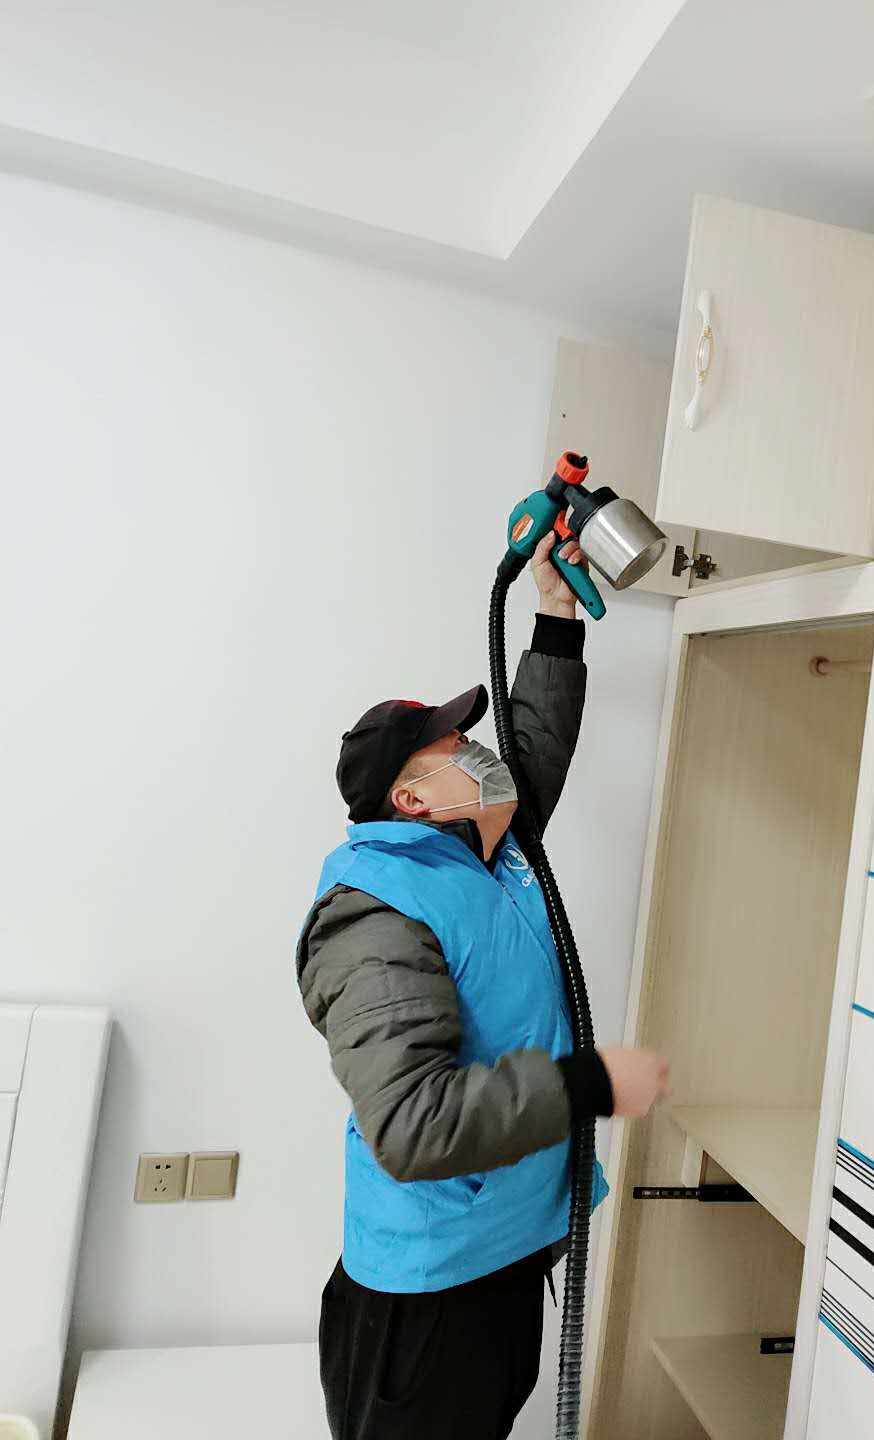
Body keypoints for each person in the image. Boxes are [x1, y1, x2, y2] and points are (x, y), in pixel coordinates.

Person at [296, 532, 671, 1440]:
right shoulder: (375, 914)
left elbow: (534, 744)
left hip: (501, 1259)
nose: (480, 750)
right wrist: (590, 1083)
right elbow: (411, 1123)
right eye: (456, 746)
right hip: (427, 1303)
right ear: (413, 800)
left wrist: (556, 611)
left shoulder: (486, 856)